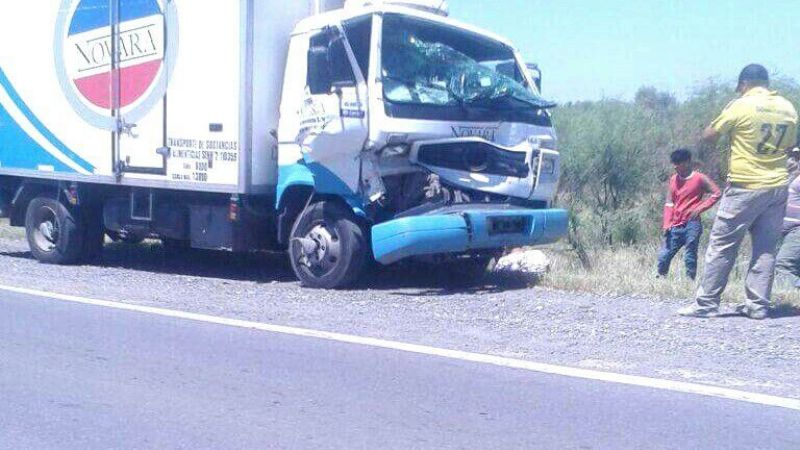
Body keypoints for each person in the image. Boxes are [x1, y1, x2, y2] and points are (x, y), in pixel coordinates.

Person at [678, 64, 798, 320]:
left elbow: (709, 135)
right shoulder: (788, 107)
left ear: (744, 84)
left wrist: (727, 114)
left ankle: (706, 303)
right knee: (765, 248)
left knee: (722, 245)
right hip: (778, 186)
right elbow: (789, 148)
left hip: (746, 185)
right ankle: (758, 305)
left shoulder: (741, 105)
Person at [658, 149, 721, 280]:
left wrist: (700, 208)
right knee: (665, 254)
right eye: (674, 163)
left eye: (678, 163)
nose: (675, 166)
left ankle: (689, 282)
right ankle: (660, 279)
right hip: (675, 225)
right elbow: (669, 202)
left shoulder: (699, 178)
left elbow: (716, 193)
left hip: (692, 224)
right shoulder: (673, 179)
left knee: (690, 254)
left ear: (687, 162)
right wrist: (667, 223)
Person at [775, 149, 800, 288]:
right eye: (791, 156)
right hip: (786, 231)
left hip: (797, 230)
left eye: (795, 157)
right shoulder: (790, 178)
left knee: (782, 267)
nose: (792, 160)